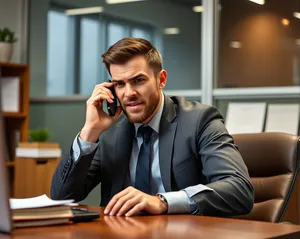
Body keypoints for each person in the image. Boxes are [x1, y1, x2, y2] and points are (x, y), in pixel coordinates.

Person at [51, 37, 254, 217]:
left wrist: (163, 201)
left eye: (138, 80)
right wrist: (90, 132)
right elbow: (62, 196)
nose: (128, 93)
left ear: (161, 79)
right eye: (119, 84)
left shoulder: (199, 120)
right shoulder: (109, 131)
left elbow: (239, 190)